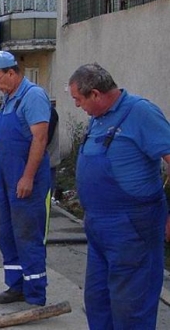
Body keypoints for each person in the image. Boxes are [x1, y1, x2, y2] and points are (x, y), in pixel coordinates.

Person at [68, 64, 170, 329]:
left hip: (132, 228)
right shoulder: (98, 118)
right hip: (99, 228)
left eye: (79, 100)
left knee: (130, 308)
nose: (78, 106)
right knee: (98, 301)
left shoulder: (140, 112)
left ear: (96, 94)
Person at [0, 51, 51, 306]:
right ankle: (16, 286)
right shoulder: (9, 99)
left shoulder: (32, 97)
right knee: (7, 234)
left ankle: (35, 293)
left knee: (27, 235)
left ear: (12, 73)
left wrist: (28, 177)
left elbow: (40, 139)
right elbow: (5, 144)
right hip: (5, 178)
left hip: (25, 180)